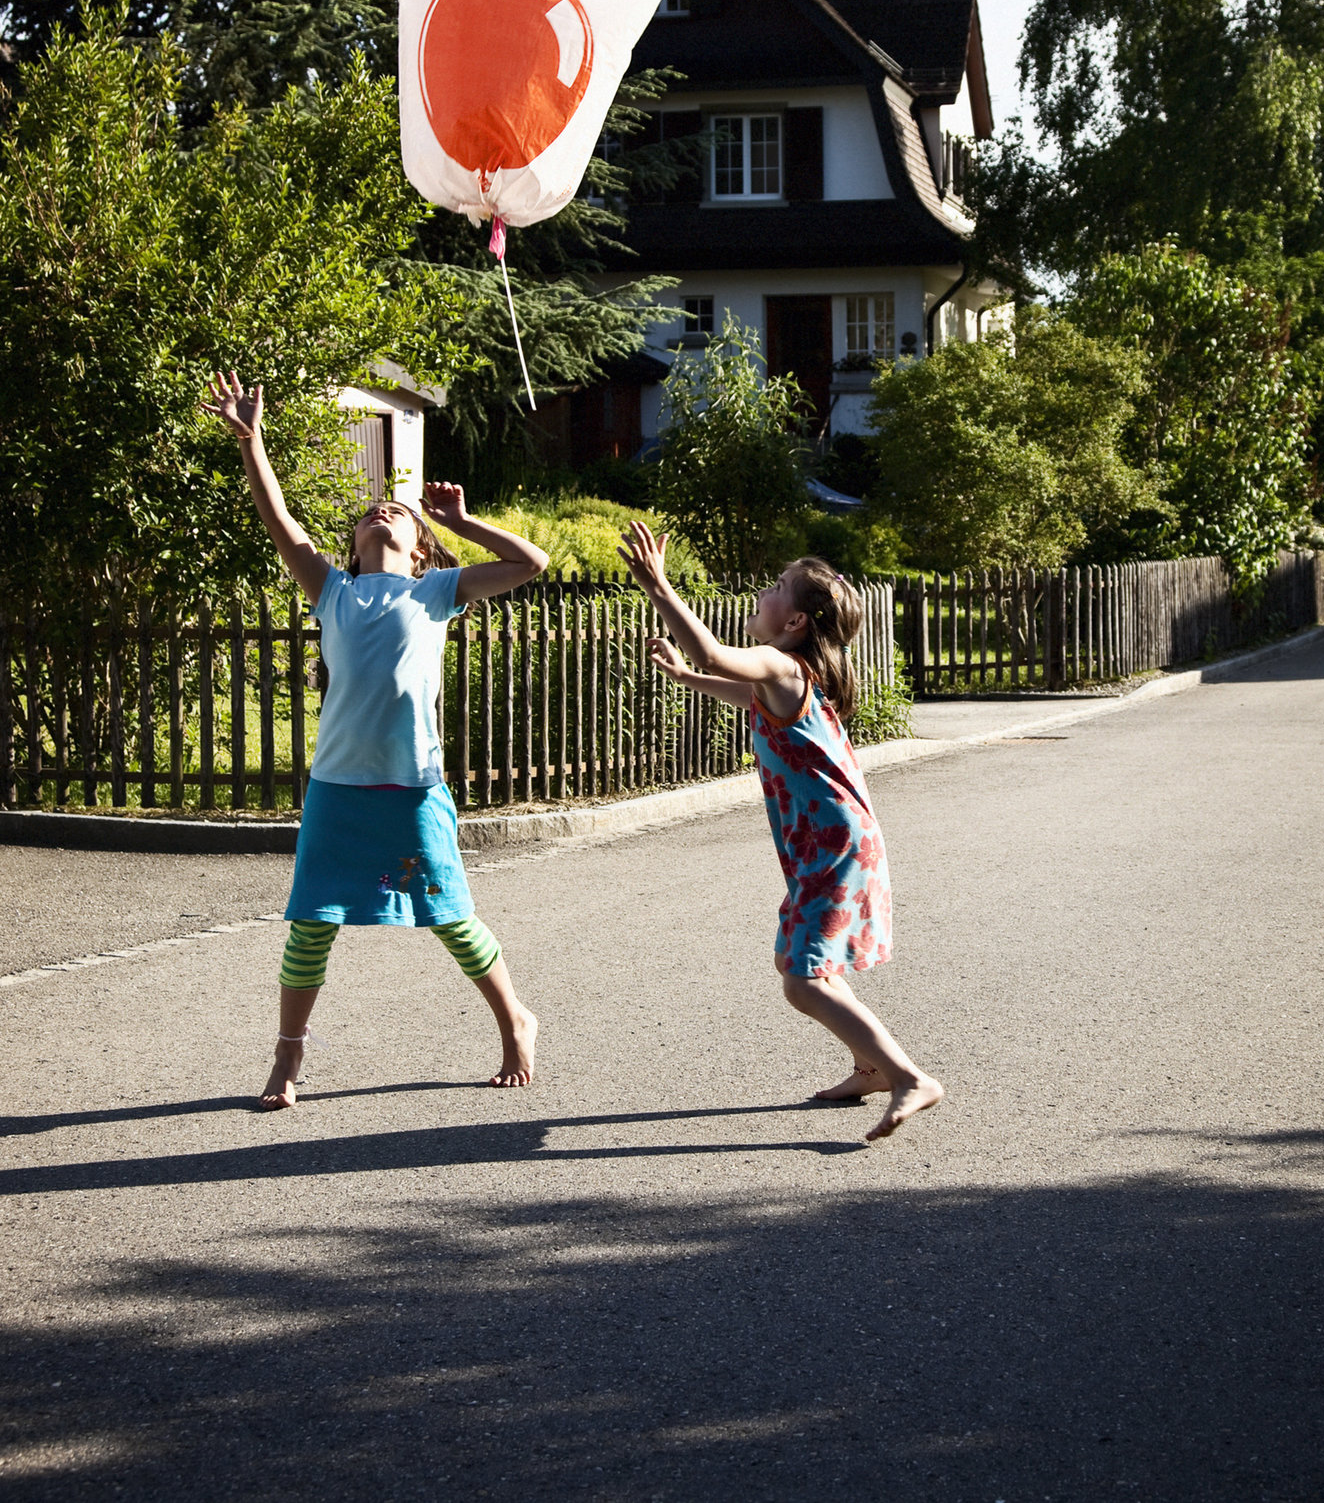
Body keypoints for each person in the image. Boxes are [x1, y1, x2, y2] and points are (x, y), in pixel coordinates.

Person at [200, 371, 546, 1110]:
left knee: (449, 916)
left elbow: (531, 564)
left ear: (420, 548)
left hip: (413, 789)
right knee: (310, 924)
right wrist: (252, 443)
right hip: (337, 792)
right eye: (367, 513)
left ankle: (515, 1020)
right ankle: (288, 1057)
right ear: (354, 548)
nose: (380, 511)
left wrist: (464, 521)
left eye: (395, 511)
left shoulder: (436, 592)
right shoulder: (334, 591)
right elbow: (281, 522)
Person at [617, 522, 942, 1141]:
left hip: (832, 844)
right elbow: (739, 688)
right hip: (828, 841)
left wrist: (661, 588)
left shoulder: (782, 664)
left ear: (795, 623)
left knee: (800, 979)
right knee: (802, 964)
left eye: (776, 588)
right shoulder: (788, 678)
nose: (763, 595)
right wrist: (686, 680)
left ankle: (908, 1077)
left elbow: (718, 655)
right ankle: (870, 1065)